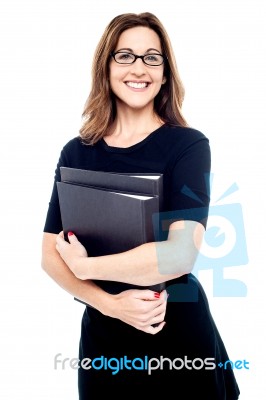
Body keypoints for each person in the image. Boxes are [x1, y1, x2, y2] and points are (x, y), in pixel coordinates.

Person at [42, 12, 240, 399]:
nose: (139, 68)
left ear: (165, 73)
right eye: (125, 55)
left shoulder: (188, 146)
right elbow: (49, 254)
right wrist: (109, 304)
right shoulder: (77, 152)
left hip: (176, 332)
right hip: (104, 335)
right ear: (106, 67)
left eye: (152, 57)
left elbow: (180, 255)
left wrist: (86, 266)